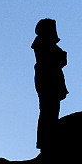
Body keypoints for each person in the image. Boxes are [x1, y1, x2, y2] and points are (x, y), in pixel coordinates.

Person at [31, 18, 68, 150]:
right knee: (48, 110)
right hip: (48, 78)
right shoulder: (43, 43)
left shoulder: (45, 44)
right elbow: (59, 58)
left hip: (50, 77)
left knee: (50, 110)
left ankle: (47, 139)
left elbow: (61, 58)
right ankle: (46, 141)